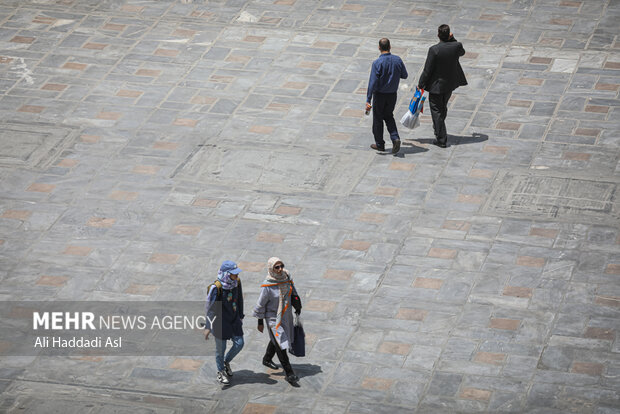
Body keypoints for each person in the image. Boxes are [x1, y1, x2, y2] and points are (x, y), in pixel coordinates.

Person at [417, 24, 468, 148]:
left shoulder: (434, 49)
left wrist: (421, 84)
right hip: (450, 84)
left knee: (436, 111)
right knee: (442, 107)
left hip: (436, 86)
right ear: (449, 34)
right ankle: (439, 128)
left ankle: (441, 138)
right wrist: (453, 39)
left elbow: (427, 70)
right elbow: (462, 52)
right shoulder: (456, 46)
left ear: (438, 35)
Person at [253, 257, 302, 385]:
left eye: (281, 266)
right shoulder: (267, 286)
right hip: (273, 318)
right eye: (277, 267)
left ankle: (267, 358)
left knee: (278, 339)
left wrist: (297, 304)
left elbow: (293, 290)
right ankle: (289, 373)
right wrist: (260, 322)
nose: (280, 269)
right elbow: (260, 305)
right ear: (271, 268)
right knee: (281, 344)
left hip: (286, 315)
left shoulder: (286, 276)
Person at [204, 260, 244, 385]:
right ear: (226, 273)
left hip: (234, 320)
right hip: (220, 323)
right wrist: (208, 326)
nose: (236, 275)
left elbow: (240, 300)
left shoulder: (237, 283)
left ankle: (226, 362)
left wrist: (241, 315)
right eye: (233, 273)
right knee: (220, 349)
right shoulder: (217, 288)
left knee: (239, 343)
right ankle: (220, 371)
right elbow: (212, 309)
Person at [366, 37, 408, 154]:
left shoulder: (377, 63)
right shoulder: (397, 60)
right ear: (390, 47)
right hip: (392, 95)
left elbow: (372, 82)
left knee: (378, 119)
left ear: (379, 48)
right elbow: (405, 75)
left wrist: (368, 99)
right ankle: (395, 138)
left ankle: (380, 144)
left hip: (379, 95)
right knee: (389, 116)